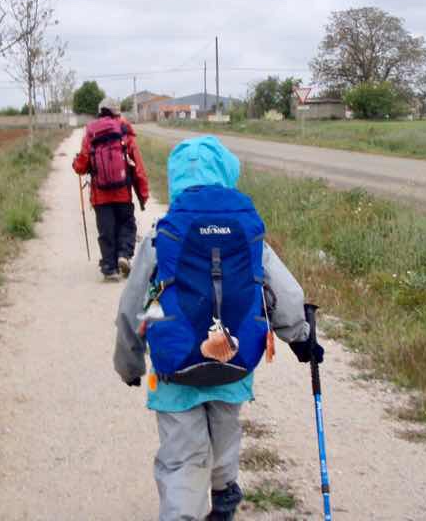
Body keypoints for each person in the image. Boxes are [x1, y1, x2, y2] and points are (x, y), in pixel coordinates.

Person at [113, 136, 324, 520]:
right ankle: (224, 493)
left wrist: (129, 364)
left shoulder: (163, 234)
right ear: (227, 173)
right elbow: (285, 293)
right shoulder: (246, 230)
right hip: (234, 359)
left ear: (177, 179)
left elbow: (131, 309)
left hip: (174, 368)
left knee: (182, 458)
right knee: (225, 431)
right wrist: (301, 338)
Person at [73, 97, 149, 281]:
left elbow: (81, 166)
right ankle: (124, 254)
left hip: (100, 194)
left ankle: (109, 267)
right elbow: (137, 165)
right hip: (123, 191)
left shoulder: (91, 132)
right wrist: (143, 193)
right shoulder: (124, 130)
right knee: (127, 224)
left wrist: (76, 164)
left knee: (106, 229)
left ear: (100, 111)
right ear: (117, 112)